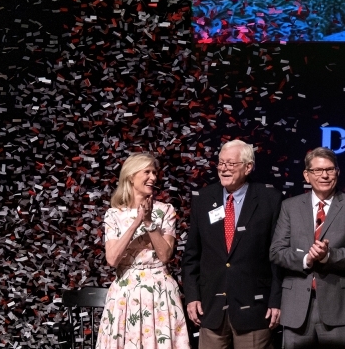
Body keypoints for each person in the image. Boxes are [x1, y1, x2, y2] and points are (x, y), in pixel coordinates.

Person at [182, 139, 283, 349]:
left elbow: (277, 256)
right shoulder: (203, 198)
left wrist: (276, 300)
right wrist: (192, 297)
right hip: (210, 309)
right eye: (221, 163)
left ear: (248, 167)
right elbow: (192, 254)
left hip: (255, 309)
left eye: (231, 164)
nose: (224, 169)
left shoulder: (269, 199)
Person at [270, 147, 345, 349]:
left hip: (339, 307)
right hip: (297, 307)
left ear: (338, 173)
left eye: (330, 169)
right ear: (306, 175)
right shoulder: (290, 207)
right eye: (317, 170)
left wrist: (327, 256)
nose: (324, 175)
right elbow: (277, 251)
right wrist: (306, 258)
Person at [97, 153, 190, 349]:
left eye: (154, 172)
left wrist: (148, 223)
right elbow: (113, 259)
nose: (153, 177)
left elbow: (165, 255)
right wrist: (136, 222)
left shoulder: (165, 211)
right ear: (131, 176)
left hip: (159, 292)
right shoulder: (114, 214)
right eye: (147, 172)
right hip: (125, 294)